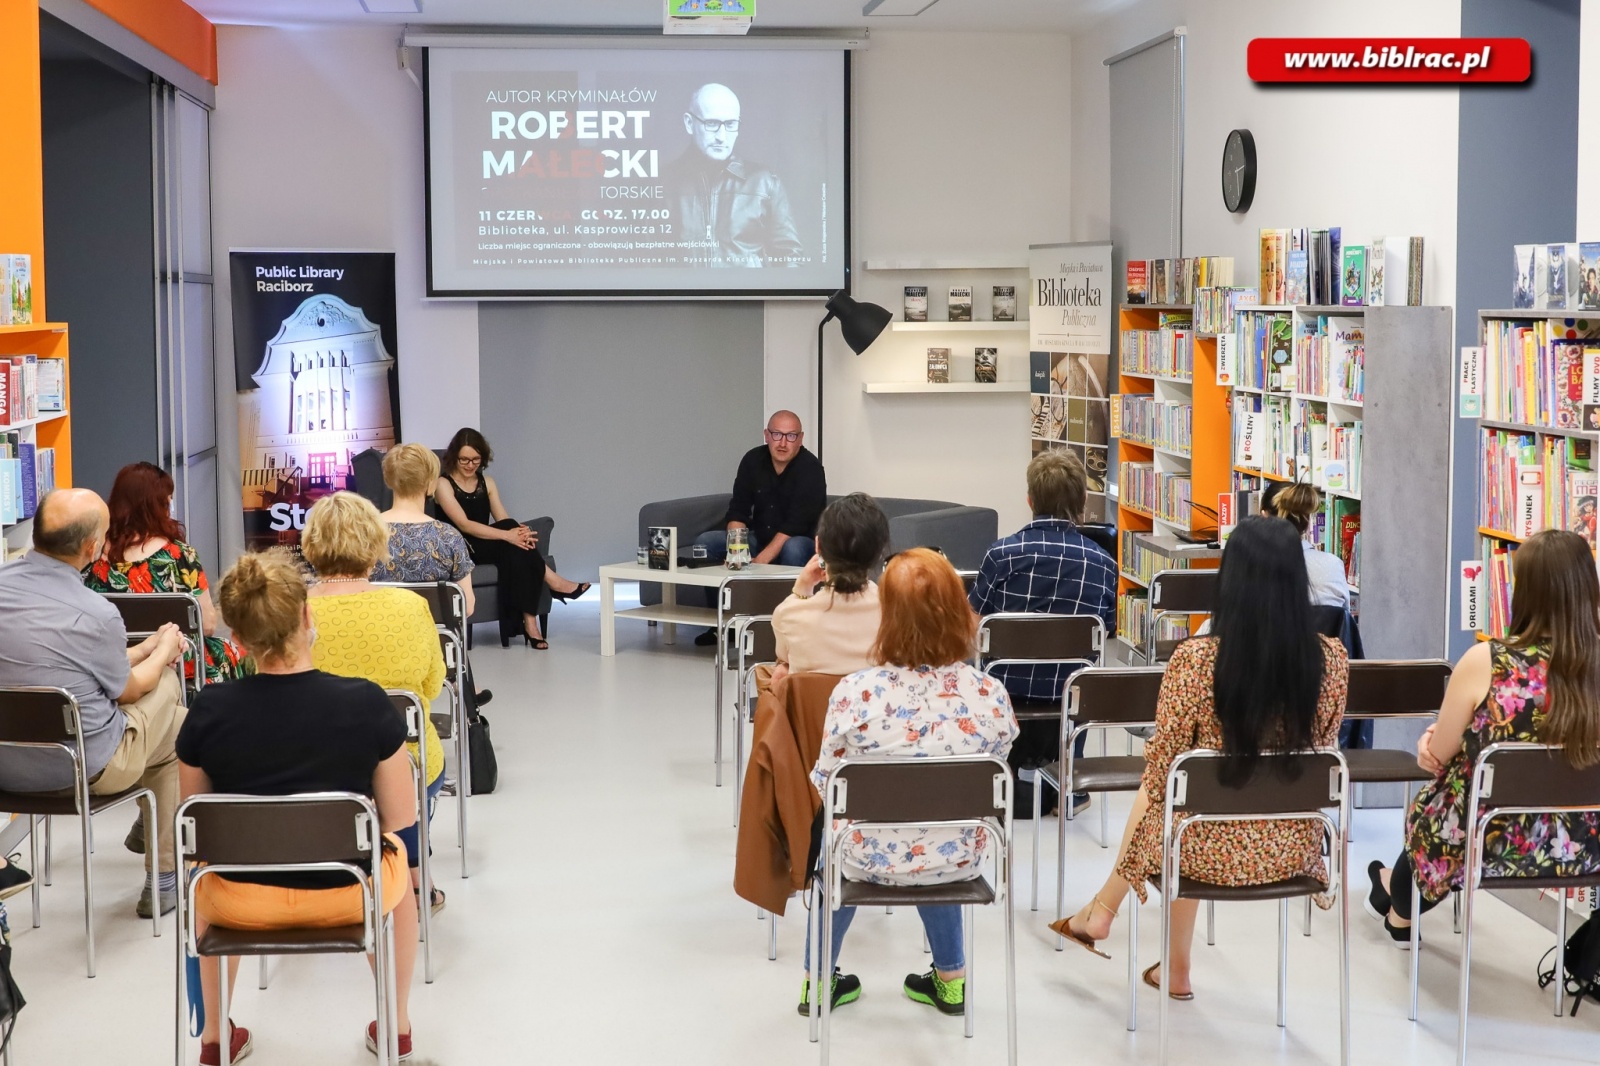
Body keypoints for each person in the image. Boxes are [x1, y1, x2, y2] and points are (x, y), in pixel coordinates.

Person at [1052, 516, 1347, 999]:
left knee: (1171, 789)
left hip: (1197, 849)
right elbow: (1322, 746)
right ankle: (1157, 956)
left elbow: (1163, 765)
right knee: (1184, 792)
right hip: (1293, 848)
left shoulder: (1194, 660)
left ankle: (1108, 913)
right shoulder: (1332, 659)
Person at [176, 550, 420, 1065]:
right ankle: (395, 1025)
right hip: (352, 899)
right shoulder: (367, 702)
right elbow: (401, 820)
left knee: (205, 868)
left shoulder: (208, 710)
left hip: (238, 905)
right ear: (308, 616)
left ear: (238, 639)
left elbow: (193, 825)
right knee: (399, 865)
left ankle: (215, 1037)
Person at [799, 548, 1018, 1018]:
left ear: (888, 617)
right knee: (938, 819)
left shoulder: (855, 693)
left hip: (863, 857)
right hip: (957, 858)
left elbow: (826, 783)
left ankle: (817, 983)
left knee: (833, 838)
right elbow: (994, 777)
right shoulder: (990, 694)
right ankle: (951, 981)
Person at [1366, 529, 1600, 945]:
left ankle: (1398, 907)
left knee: (1444, 803)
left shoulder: (1488, 661)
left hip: (1487, 841)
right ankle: (1391, 891)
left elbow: (1439, 754)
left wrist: (1429, 744)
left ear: (1524, 592)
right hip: (1581, 845)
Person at [0, 488, 187, 917]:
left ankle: (150, 826)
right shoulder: (95, 613)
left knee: (164, 713)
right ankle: (161, 877)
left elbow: (66, 667)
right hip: (83, 767)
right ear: (92, 547)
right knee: (177, 723)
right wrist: (163, 649)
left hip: (7, 766)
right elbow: (130, 690)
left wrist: (142, 651)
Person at [302, 492, 448, 915]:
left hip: (312, 764)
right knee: (411, 765)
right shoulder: (409, 606)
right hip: (406, 762)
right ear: (374, 543)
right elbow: (432, 685)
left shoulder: (291, 611)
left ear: (311, 545)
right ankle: (415, 880)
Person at [968, 450, 1117, 817]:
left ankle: (1000, 775)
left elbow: (975, 621)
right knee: (1080, 675)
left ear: (1030, 500)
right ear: (1082, 500)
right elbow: (1105, 631)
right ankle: (1071, 790)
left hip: (1006, 691)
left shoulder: (1001, 554)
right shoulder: (1104, 563)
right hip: (1069, 697)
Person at [84, 461, 250, 684]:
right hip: (180, 662)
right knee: (234, 652)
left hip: (120, 662)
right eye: (168, 500)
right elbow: (208, 625)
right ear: (156, 506)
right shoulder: (180, 555)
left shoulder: (94, 558)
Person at [433, 428, 588, 650]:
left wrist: (519, 534)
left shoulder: (488, 482)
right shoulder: (443, 484)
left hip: (485, 541)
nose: (470, 465)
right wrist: (509, 534)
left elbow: (502, 518)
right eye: (464, 459)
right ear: (454, 457)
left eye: (475, 459)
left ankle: (530, 624)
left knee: (517, 542)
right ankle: (554, 583)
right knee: (511, 535)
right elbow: (464, 525)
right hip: (459, 547)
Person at [370, 444, 490, 708]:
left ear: (390, 480)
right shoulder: (447, 537)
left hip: (375, 646)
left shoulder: (365, 534)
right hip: (432, 653)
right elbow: (466, 607)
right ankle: (463, 686)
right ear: (430, 484)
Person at [693, 411, 827, 646]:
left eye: (791, 436)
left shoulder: (811, 469)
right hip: (759, 537)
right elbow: (738, 510)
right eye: (777, 434)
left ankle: (784, 627)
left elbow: (794, 525)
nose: (783, 442)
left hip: (798, 541)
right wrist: (738, 552)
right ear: (766, 435)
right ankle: (724, 625)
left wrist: (759, 561)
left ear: (801, 438)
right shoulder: (752, 460)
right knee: (707, 541)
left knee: (793, 549)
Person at [762, 493, 889, 693]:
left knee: (777, 672)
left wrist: (801, 592)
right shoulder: (896, 613)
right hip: (874, 722)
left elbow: (786, 658)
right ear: (880, 551)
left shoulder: (789, 614)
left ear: (818, 545)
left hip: (812, 723)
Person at [668, 82, 803, 267]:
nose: (721, 136)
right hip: (683, 296)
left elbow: (790, 258)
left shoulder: (764, 182)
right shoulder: (663, 182)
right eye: (712, 123)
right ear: (689, 123)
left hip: (748, 296)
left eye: (730, 124)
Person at [1260, 481, 1349, 609]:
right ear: (1307, 523)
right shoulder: (1334, 565)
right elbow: (1343, 619)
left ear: (1264, 518)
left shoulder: (1253, 565)